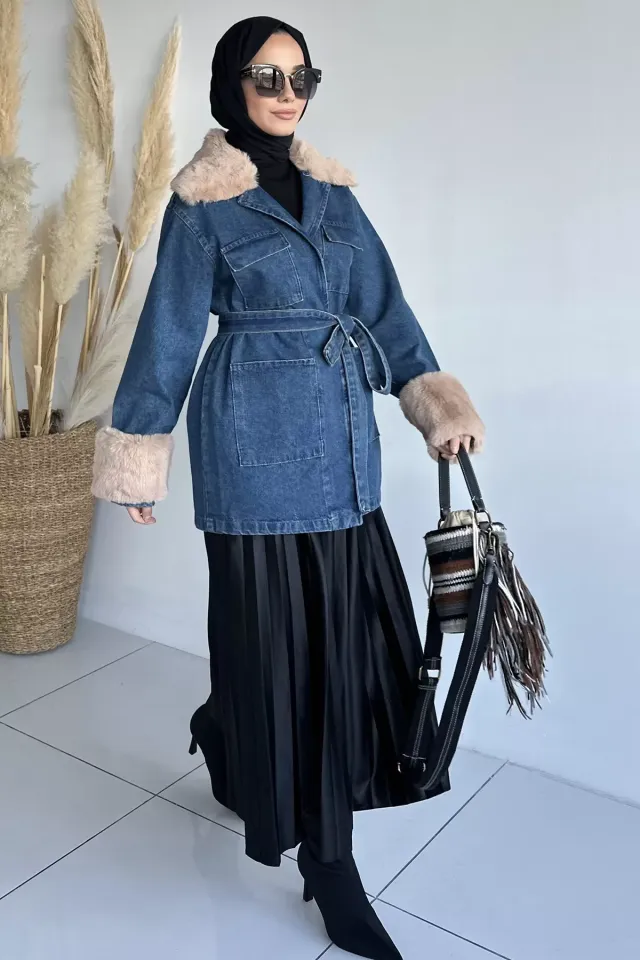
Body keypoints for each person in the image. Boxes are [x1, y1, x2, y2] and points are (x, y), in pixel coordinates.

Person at [92, 16, 484, 960]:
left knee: (343, 650)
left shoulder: (335, 195)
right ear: (231, 84)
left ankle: (229, 732)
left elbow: (383, 308)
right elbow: (169, 330)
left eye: (301, 75)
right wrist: (140, 446)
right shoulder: (201, 205)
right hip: (252, 449)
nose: (287, 91)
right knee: (276, 645)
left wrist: (433, 403)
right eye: (266, 75)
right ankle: (329, 864)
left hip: (344, 451)